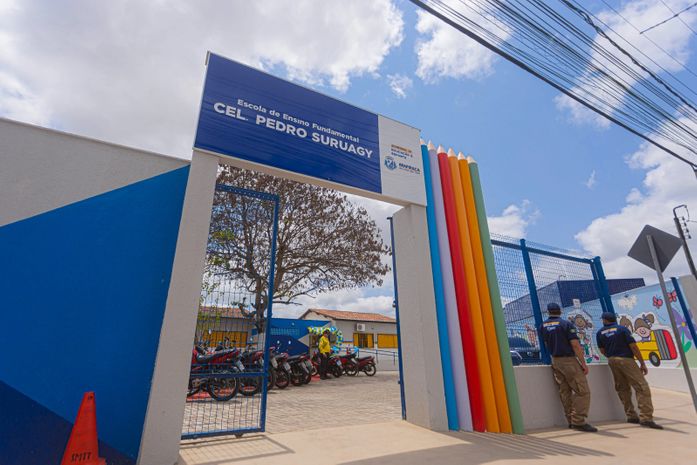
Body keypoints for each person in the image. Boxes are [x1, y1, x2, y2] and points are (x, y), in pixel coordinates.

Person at [596, 312, 663, 429]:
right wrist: (642, 363)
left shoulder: (599, 333)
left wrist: (612, 356)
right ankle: (646, 417)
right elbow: (633, 346)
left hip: (612, 360)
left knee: (622, 388)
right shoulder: (622, 329)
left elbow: (602, 350)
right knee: (641, 387)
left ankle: (631, 415)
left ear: (604, 320)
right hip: (626, 359)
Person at [538, 302, 597, 432]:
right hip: (569, 360)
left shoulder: (542, 326)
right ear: (560, 311)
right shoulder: (566, 324)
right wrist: (583, 363)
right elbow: (575, 344)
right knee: (583, 391)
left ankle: (570, 420)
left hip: (555, 361)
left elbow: (545, 343)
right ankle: (578, 421)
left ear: (548, 312)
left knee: (565, 392)